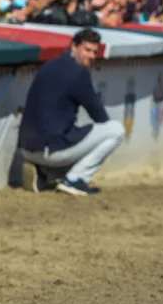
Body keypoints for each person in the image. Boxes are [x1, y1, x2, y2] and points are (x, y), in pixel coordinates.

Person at [18, 29, 125, 196]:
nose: (90, 56)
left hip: (26, 148)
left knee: (75, 134)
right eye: (86, 49)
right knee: (116, 130)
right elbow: (100, 116)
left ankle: (45, 174)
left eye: (94, 52)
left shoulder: (48, 65)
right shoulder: (78, 72)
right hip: (51, 150)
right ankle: (75, 179)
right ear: (74, 47)